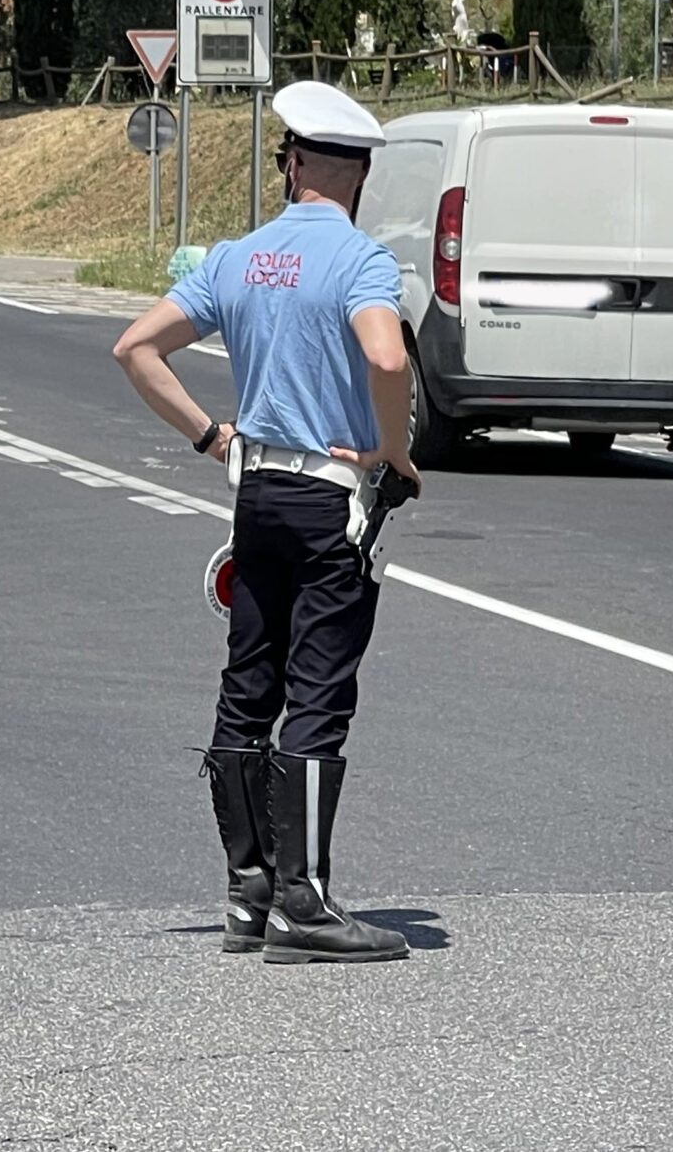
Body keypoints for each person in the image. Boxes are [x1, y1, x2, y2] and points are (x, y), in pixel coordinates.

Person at [111, 80, 419, 965]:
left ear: (290, 165)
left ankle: (247, 892)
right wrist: (391, 454)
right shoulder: (361, 261)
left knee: (249, 683)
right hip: (331, 496)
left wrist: (211, 435)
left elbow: (136, 346)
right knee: (319, 690)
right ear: (358, 175)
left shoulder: (237, 257)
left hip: (257, 493)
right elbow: (386, 353)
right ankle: (305, 901)